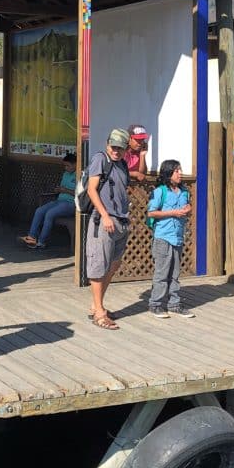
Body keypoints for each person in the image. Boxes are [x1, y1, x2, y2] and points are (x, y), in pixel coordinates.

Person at [86, 128, 131, 330]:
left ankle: (96, 306)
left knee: (113, 264)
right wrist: (104, 215)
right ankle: (99, 312)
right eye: (114, 147)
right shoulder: (100, 159)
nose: (116, 151)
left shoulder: (122, 165)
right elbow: (91, 189)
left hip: (121, 220)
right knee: (98, 265)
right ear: (107, 144)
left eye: (120, 148)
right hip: (103, 221)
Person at [147, 160, 195, 319]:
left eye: (180, 170)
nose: (180, 173)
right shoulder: (160, 191)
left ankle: (174, 304)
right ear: (168, 174)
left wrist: (188, 209)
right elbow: (151, 213)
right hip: (162, 237)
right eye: (176, 171)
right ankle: (156, 304)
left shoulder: (184, 191)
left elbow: (187, 208)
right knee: (161, 273)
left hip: (178, 237)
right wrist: (173, 213)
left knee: (175, 273)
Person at [19, 152, 77, 249]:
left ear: (75, 164)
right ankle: (31, 237)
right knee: (39, 211)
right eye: (64, 166)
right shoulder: (66, 174)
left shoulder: (79, 175)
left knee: (50, 214)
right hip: (60, 200)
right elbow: (62, 188)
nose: (66, 168)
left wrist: (65, 190)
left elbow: (80, 194)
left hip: (71, 203)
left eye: (68, 165)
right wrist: (58, 190)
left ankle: (41, 241)